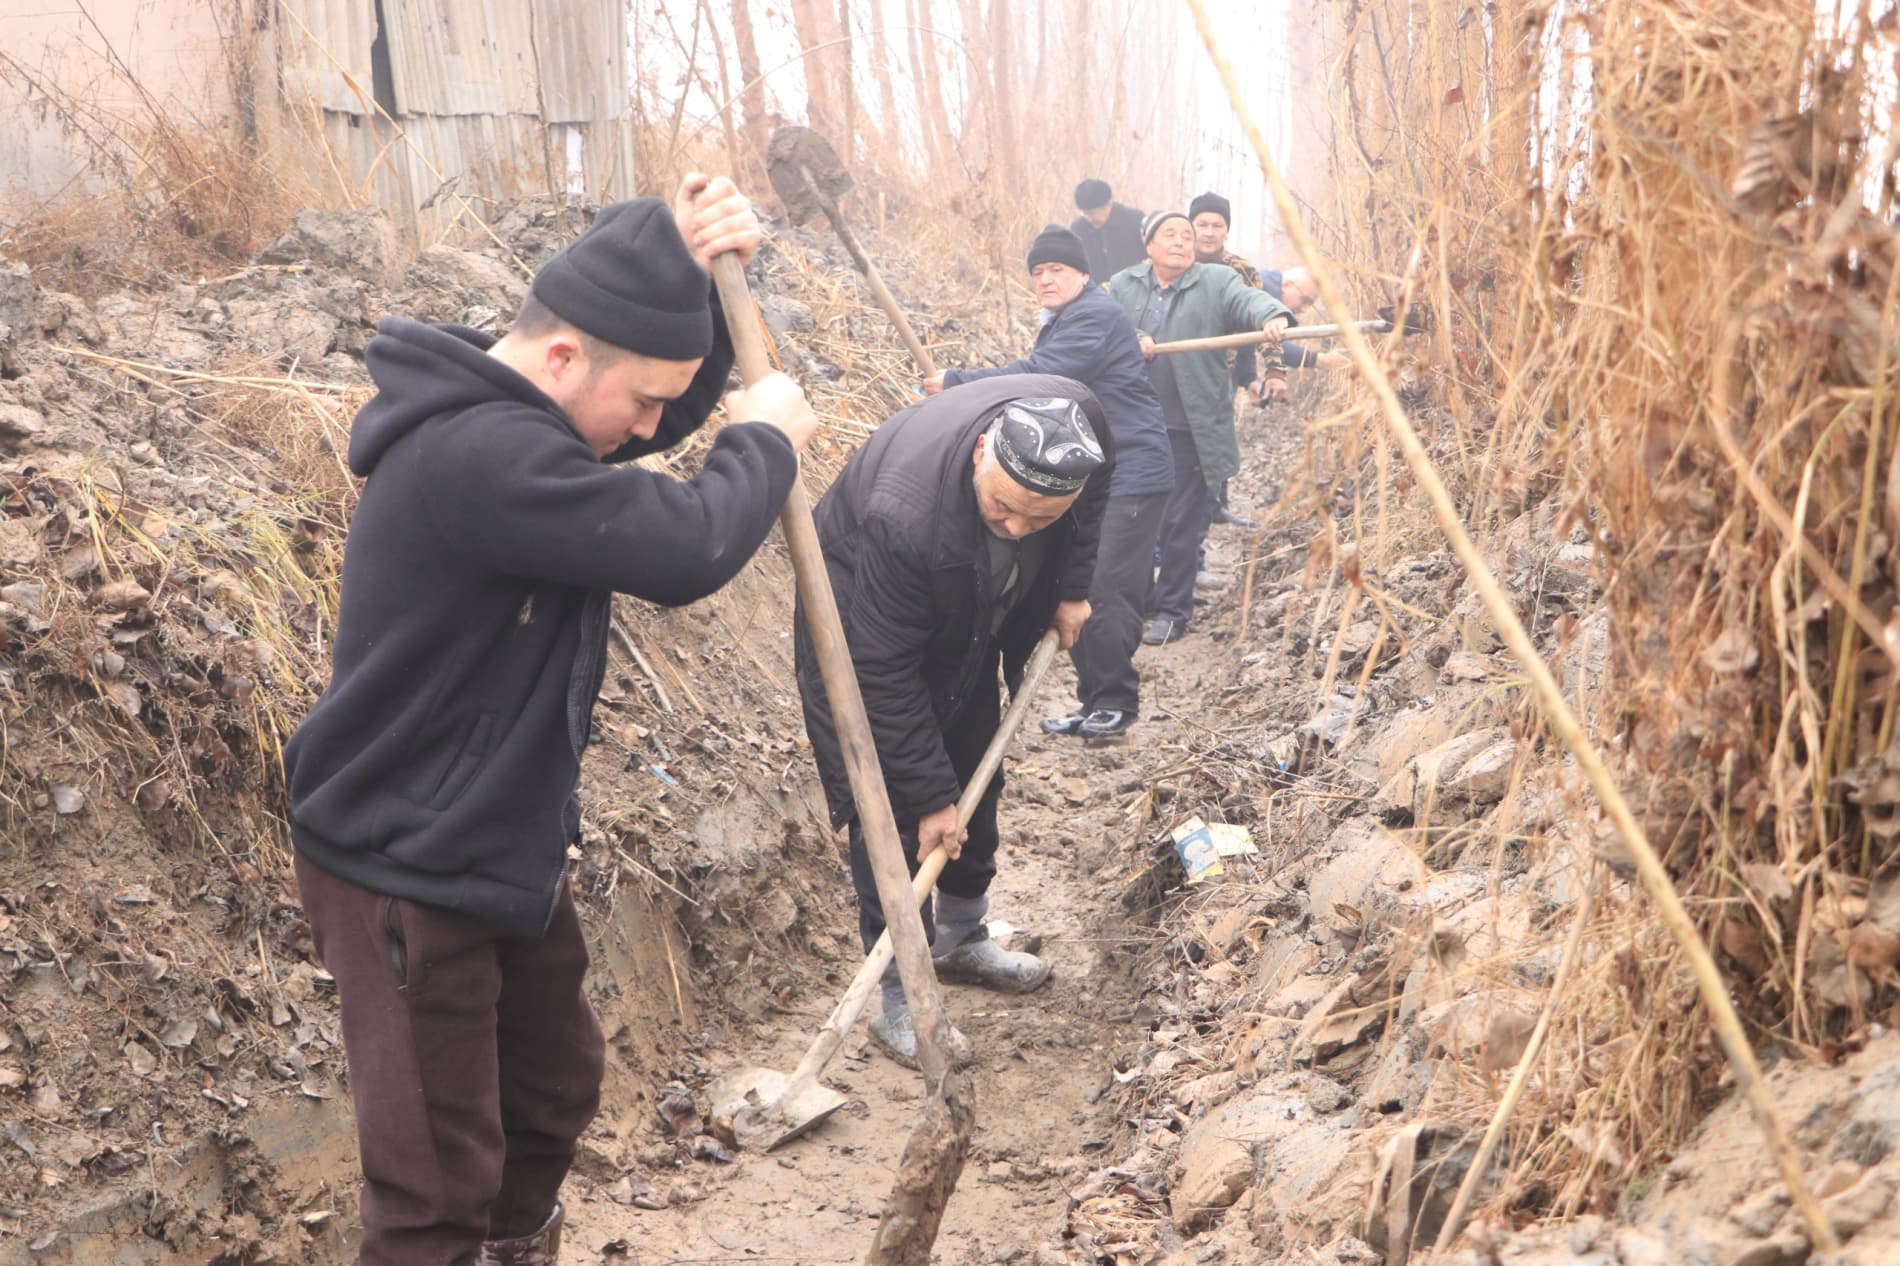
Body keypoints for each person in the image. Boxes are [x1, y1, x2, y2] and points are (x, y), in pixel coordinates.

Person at [283, 176, 820, 1266]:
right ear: (566, 360)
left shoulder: (536, 421)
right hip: (405, 861)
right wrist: (763, 440)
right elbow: (683, 549)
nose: (657, 431)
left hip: (497, 842)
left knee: (546, 1093)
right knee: (433, 1185)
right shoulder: (478, 455)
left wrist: (697, 271)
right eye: (650, 406)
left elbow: (635, 405)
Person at [796, 378, 1112, 1067]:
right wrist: (930, 800)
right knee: (890, 801)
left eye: (1041, 517)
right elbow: (879, 675)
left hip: (969, 604)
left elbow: (1088, 510)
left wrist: (1072, 587)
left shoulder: (1080, 425)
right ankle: (902, 999)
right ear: (978, 454)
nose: (1020, 528)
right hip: (860, 619)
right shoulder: (902, 517)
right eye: (1004, 508)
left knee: (975, 757)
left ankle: (961, 937)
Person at [924, 226, 1170, 741]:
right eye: (1037, 272)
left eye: (1057, 269)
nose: (1045, 280)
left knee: (1105, 587)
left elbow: (1042, 376)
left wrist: (957, 383)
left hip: (1131, 469)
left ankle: (1115, 703)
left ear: (1084, 274)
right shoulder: (1070, 317)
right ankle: (1096, 700)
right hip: (1099, 467)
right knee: (1075, 580)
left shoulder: (1095, 315)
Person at [1109, 209, 1291, 647]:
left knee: (1182, 522)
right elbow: (1103, 325)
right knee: (1134, 521)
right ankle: (1139, 602)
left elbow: (1249, 301)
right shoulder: (1123, 284)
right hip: (1134, 425)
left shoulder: (1216, 281)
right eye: (1169, 234)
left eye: (1185, 235)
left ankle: (1173, 610)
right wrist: (1132, 335)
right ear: (1148, 243)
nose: (1181, 241)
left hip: (1190, 425)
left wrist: (1273, 315)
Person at [1187, 191, 1268, 530]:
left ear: (1226, 230)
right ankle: (1194, 531)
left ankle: (1215, 508)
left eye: (1216, 225)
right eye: (1202, 224)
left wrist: (1265, 373)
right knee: (1186, 458)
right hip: (1178, 370)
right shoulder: (1175, 263)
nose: (1208, 231)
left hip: (1223, 372)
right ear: (1190, 227)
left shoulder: (1242, 270)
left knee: (1216, 445)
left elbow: (1260, 324)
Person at [1070, 178, 1147, 286]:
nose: (1088, 218)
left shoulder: (1135, 220)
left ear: (1109, 204)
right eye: (1084, 214)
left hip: (1134, 287)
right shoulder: (1079, 228)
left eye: (1092, 213)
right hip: (1096, 292)